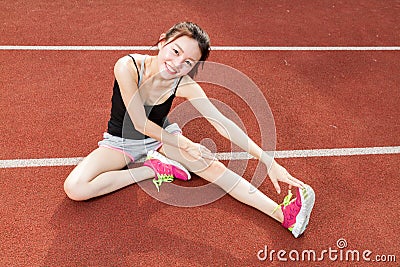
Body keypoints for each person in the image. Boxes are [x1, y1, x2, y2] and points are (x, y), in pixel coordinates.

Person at [64, 22, 315, 238]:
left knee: (216, 169)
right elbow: (138, 123)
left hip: (161, 140)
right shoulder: (128, 66)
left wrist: (267, 160)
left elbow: (222, 124)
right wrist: (186, 144)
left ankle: (284, 214)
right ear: (163, 41)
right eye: (175, 51)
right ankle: (153, 169)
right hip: (121, 141)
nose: (176, 64)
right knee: (76, 188)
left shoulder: (184, 84)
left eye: (187, 62)